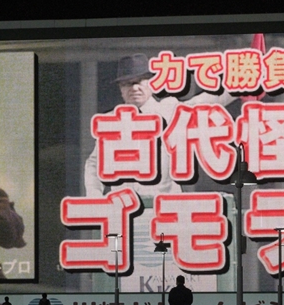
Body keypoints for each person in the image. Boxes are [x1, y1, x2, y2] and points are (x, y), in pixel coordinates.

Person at [84, 53, 240, 197]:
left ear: (151, 83)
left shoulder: (169, 110)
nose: (134, 88)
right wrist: (94, 194)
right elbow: (94, 163)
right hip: (125, 208)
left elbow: (208, 101)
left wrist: (244, 83)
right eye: (127, 84)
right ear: (121, 89)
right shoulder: (111, 121)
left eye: (140, 81)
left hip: (165, 208)